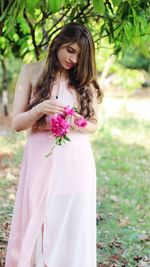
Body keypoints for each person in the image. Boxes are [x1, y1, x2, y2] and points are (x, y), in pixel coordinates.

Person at [5, 22, 103, 267]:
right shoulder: (31, 72)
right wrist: (39, 110)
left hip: (75, 161)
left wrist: (75, 121)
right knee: (38, 221)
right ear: (58, 42)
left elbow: (94, 125)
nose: (73, 59)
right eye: (70, 50)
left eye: (80, 55)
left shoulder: (83, 79)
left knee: (69, 223)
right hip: (39, 159)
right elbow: (16, 123)